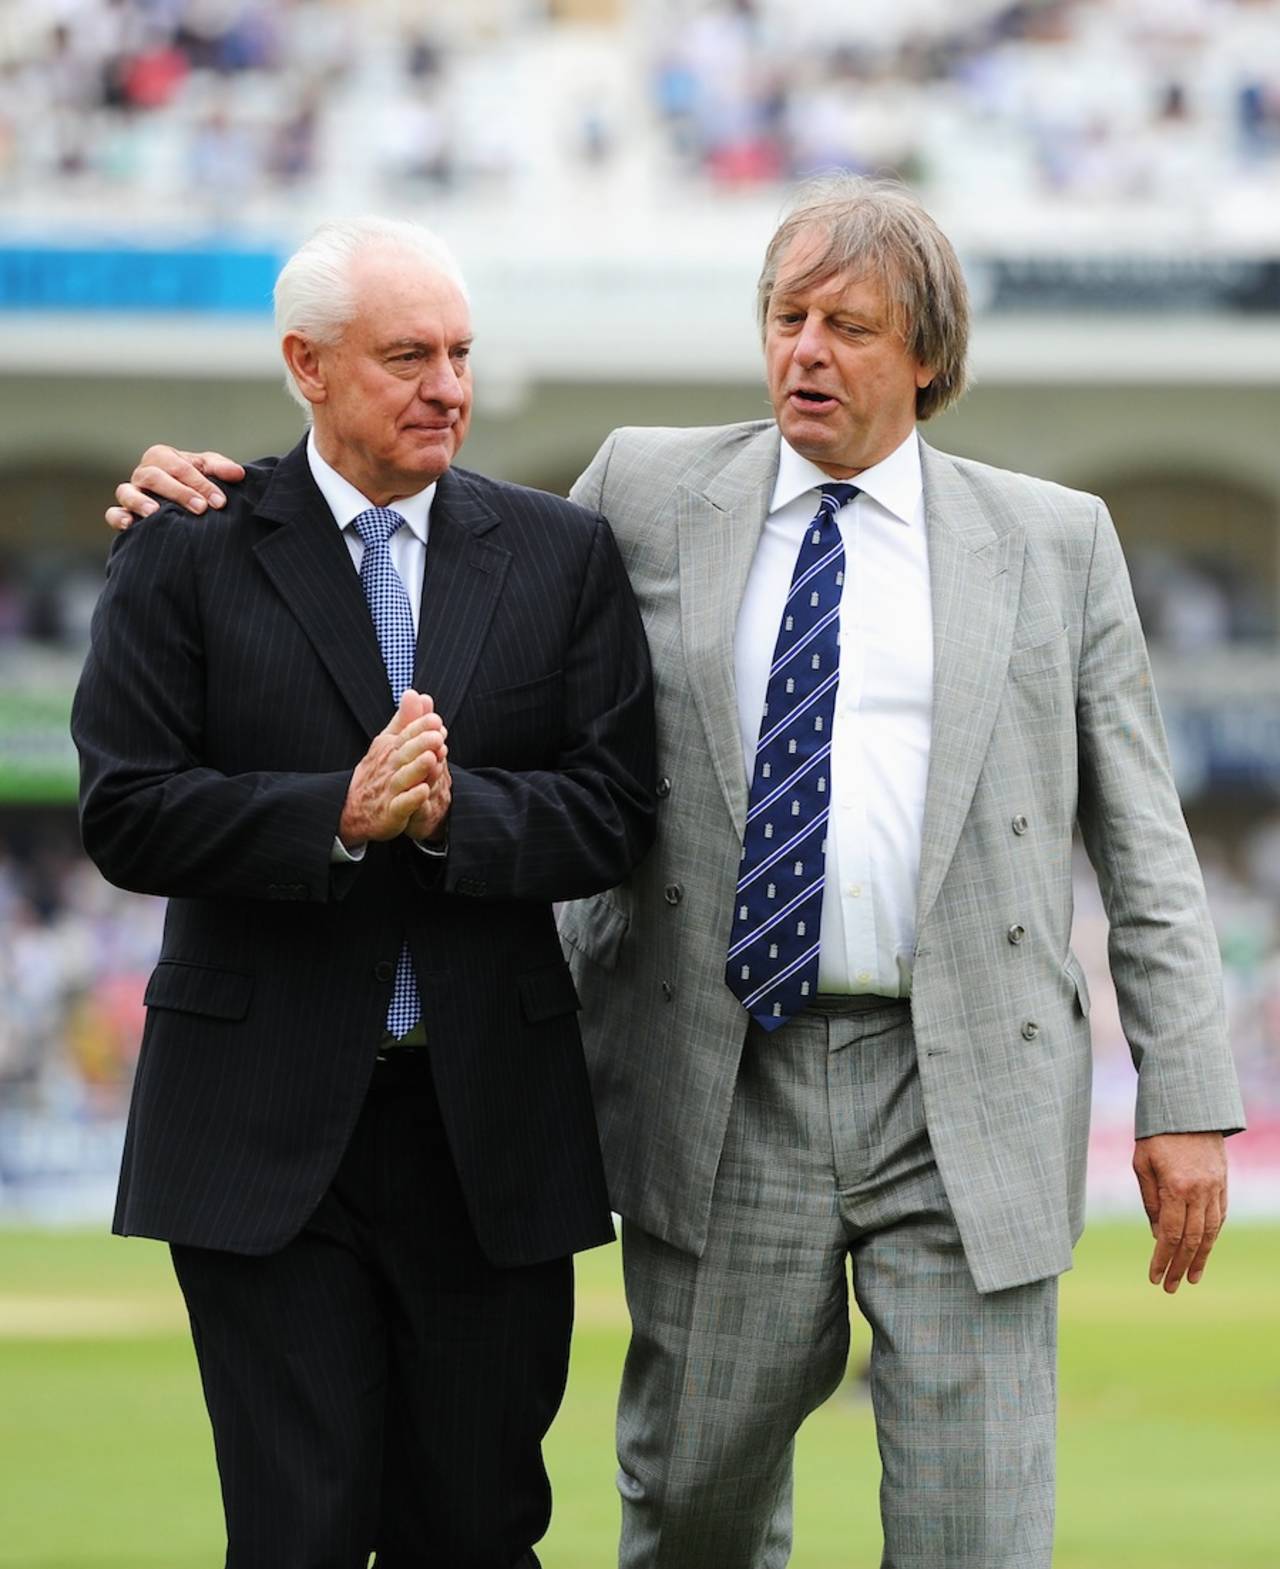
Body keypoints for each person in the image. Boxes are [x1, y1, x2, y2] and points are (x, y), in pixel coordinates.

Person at [106, 178, 1245, 1569]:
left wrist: (1185, 1091)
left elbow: (1145, 836)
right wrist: (209, 491)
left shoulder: (1053, 542)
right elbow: (434, 542)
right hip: (726, 1076)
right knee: (691, 1513)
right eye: (786, 317)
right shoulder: (640, 497)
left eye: (849, 326)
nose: (805, 352)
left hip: (968, 1085)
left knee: (976, 1531)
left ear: (930, 355)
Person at [77, 215, 655, 1569]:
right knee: (297, 1535)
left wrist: (460, 813)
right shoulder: (187, 542)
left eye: (458, 352)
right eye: (407, 355)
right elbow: (127, 808)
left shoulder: (560, 553)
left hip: (488, 1135)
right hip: (261, 1130)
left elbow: (619, 809)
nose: (446, 382)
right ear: (307, 365)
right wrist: (329, 814)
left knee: (478, 1531)